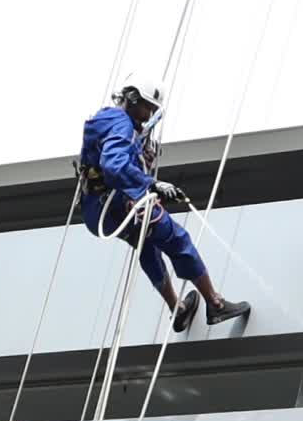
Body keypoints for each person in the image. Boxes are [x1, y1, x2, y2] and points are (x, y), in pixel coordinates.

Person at [78, 73, 251, 333]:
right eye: (147, 107)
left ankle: (177, 309)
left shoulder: (107, 118)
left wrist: (141, 153)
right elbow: (113, 165)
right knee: (176, 238)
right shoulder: (122, 123)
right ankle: (214, 303)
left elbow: (111, 155)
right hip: (117, 203)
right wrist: (152, 184)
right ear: (133, 98)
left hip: (96, 209)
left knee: (146, 245)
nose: (148, 116)